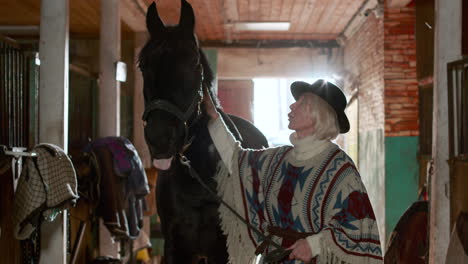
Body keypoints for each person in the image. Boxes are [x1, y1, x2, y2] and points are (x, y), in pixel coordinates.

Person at [203, 79, 383, 264]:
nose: (292, 105)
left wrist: (313, 245)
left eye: (302, 102)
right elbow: (236, 159)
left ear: (318, 114)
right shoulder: (277, 159)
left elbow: (357, 225)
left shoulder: (340, 168)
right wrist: (214, 116)